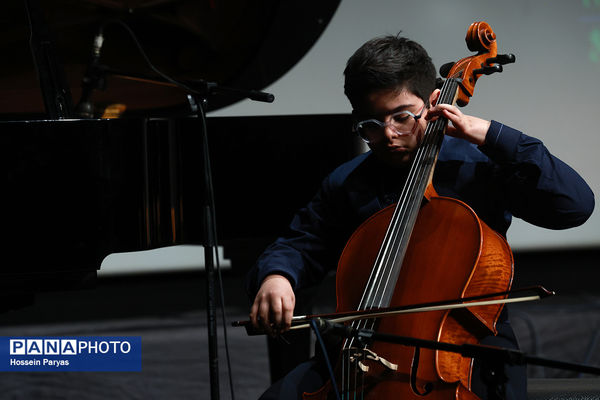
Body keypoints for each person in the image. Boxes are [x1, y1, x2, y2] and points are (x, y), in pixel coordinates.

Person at [246, 34, 595, 400]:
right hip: (362, 351)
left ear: (432, 102)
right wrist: (278, 276)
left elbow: (573, 206)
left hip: (467, 353)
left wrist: (491, 134)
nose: (389, 135)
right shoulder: (348, 181)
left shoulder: (477, 166)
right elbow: (301, 243)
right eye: (371, 125)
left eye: (402, 117)